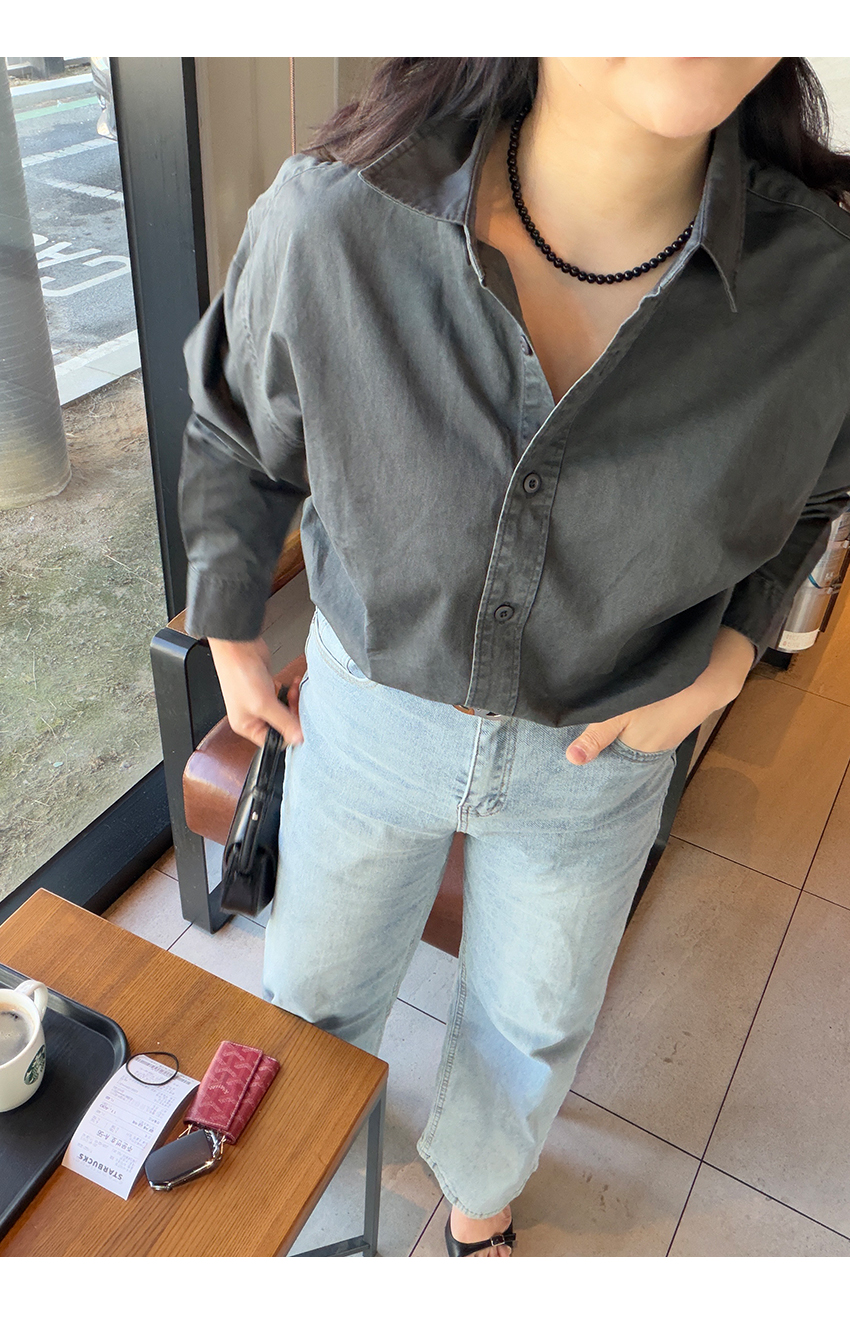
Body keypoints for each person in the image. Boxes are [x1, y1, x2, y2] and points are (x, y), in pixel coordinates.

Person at [179, 58, 850, 1256]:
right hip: (365, 716)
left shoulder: (824, 288)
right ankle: (314, 1210)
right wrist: (229, 627)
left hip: (599, 755)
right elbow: (235, 422)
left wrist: (735, 648)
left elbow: (817, 487)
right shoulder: (334, 218)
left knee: (531, 1020)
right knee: (314, 995)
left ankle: (479, 1205)